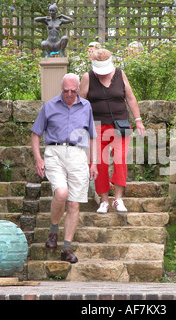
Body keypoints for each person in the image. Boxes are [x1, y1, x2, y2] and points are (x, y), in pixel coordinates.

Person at [31, 73, 98, 263]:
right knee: (61, 193)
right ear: (62, 89)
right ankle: (53, 231)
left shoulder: (86, 107)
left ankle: (66, 248)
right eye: (65, 90)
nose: (69, 94)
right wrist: (38, 158)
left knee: (74, 203)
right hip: (55, 152)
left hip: (78, 155)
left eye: (73, 91)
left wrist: (93, 162)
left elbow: (92, 136)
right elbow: (36, 134)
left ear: (78, 89)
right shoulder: (50, 106)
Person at [79, 49, 145, 213]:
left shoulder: (120, 74)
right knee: (99, 163)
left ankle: (118, 199)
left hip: (120, 125)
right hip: (97, 127)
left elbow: (130, 98)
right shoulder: (88, 77)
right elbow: (80, 103)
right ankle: (104, 201)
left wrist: (138, 120)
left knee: (120, 159)